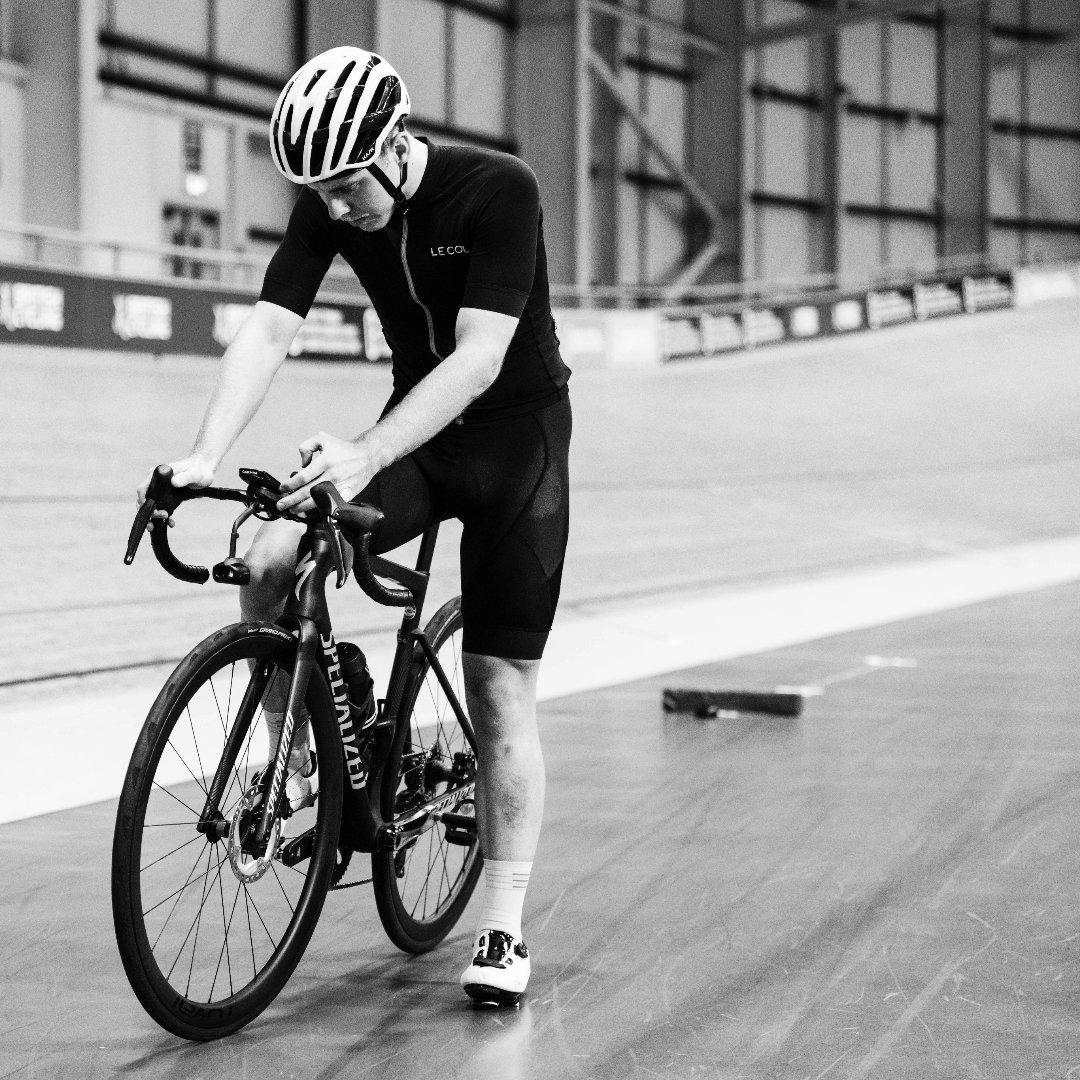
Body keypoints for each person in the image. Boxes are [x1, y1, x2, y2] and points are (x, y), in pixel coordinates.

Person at [137, 46, 570, 1007]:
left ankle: (501, 923)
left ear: (396, 143)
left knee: (498, 688)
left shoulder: (499, 190)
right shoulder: (330, 199)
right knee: (274, 551)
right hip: (418, 437)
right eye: (316, 194)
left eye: (345, 188)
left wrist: (367, 451)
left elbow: (479, 360)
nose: (335, 211)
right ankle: (296, 759)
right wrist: (203, 455)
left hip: (513, 448)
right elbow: (268, 329)